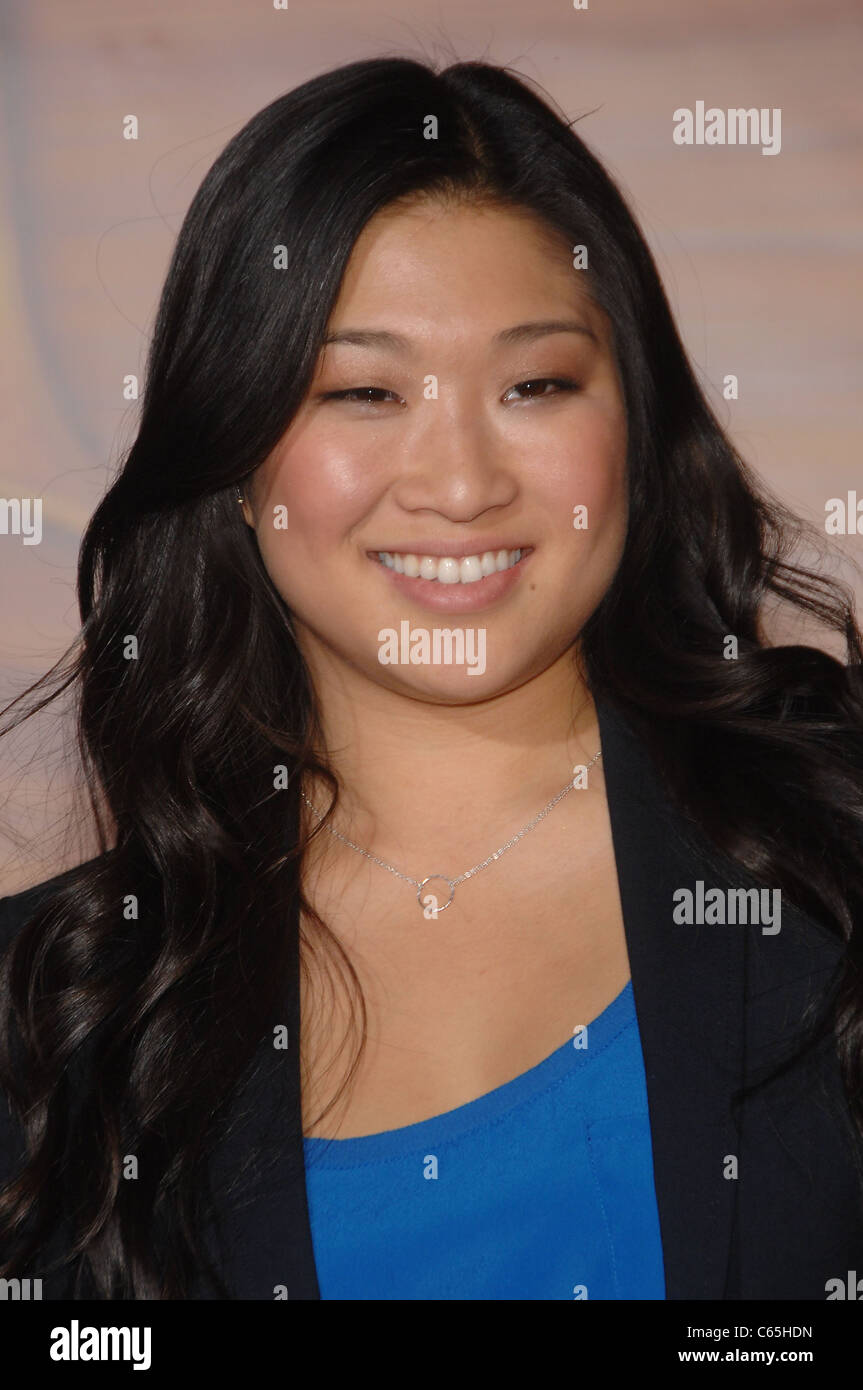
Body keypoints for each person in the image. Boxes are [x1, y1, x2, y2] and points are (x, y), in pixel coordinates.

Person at [1, 54, 862, 1302]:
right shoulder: (63, 1013)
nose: (459, 484)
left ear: (635, 424)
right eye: (362, 391)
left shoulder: (830, 850)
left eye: (533, 385)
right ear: (236, 458)